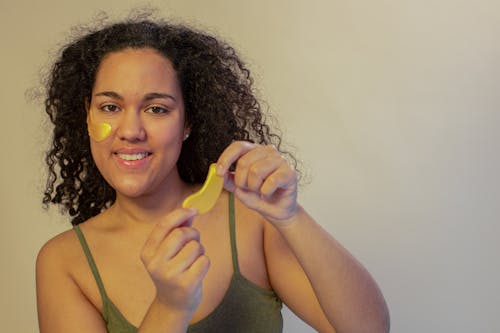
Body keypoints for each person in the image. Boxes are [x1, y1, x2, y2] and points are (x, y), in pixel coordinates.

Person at [36, 16, 390, 333]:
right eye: (110, 107)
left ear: (187, 121)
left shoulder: (253, 220)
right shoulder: (64, 262)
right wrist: (171, 306)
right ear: (87, 115)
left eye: (156, 108)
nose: (130, 130)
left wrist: (292, 216)